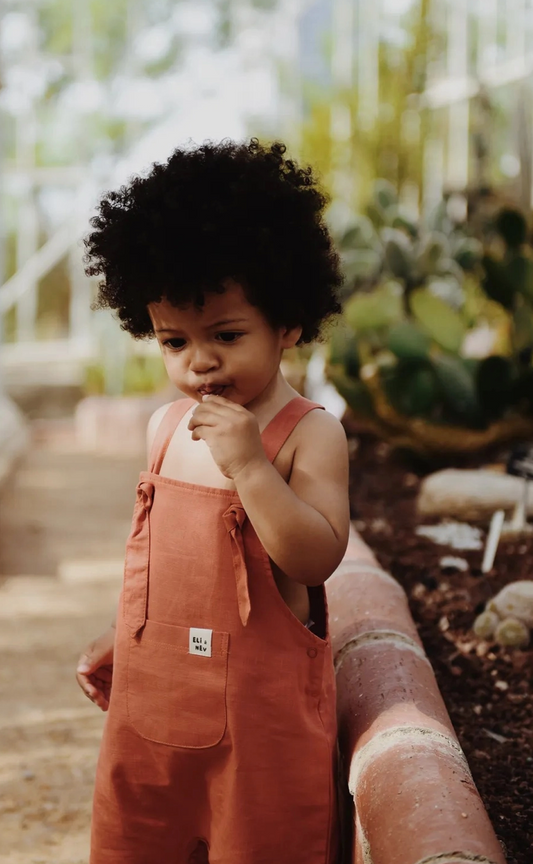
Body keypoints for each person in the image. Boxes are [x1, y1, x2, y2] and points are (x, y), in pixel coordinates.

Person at [75, 138, 350, 864]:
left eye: (226, 335)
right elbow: (159, 561)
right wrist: (124, 635)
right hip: (154, 703)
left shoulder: (306, 435)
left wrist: (252, 470)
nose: (198, 362)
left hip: (258, 729)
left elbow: (316, 558)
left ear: (287, 321)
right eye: (173, 341)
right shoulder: (163, 427)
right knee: (139, 840)